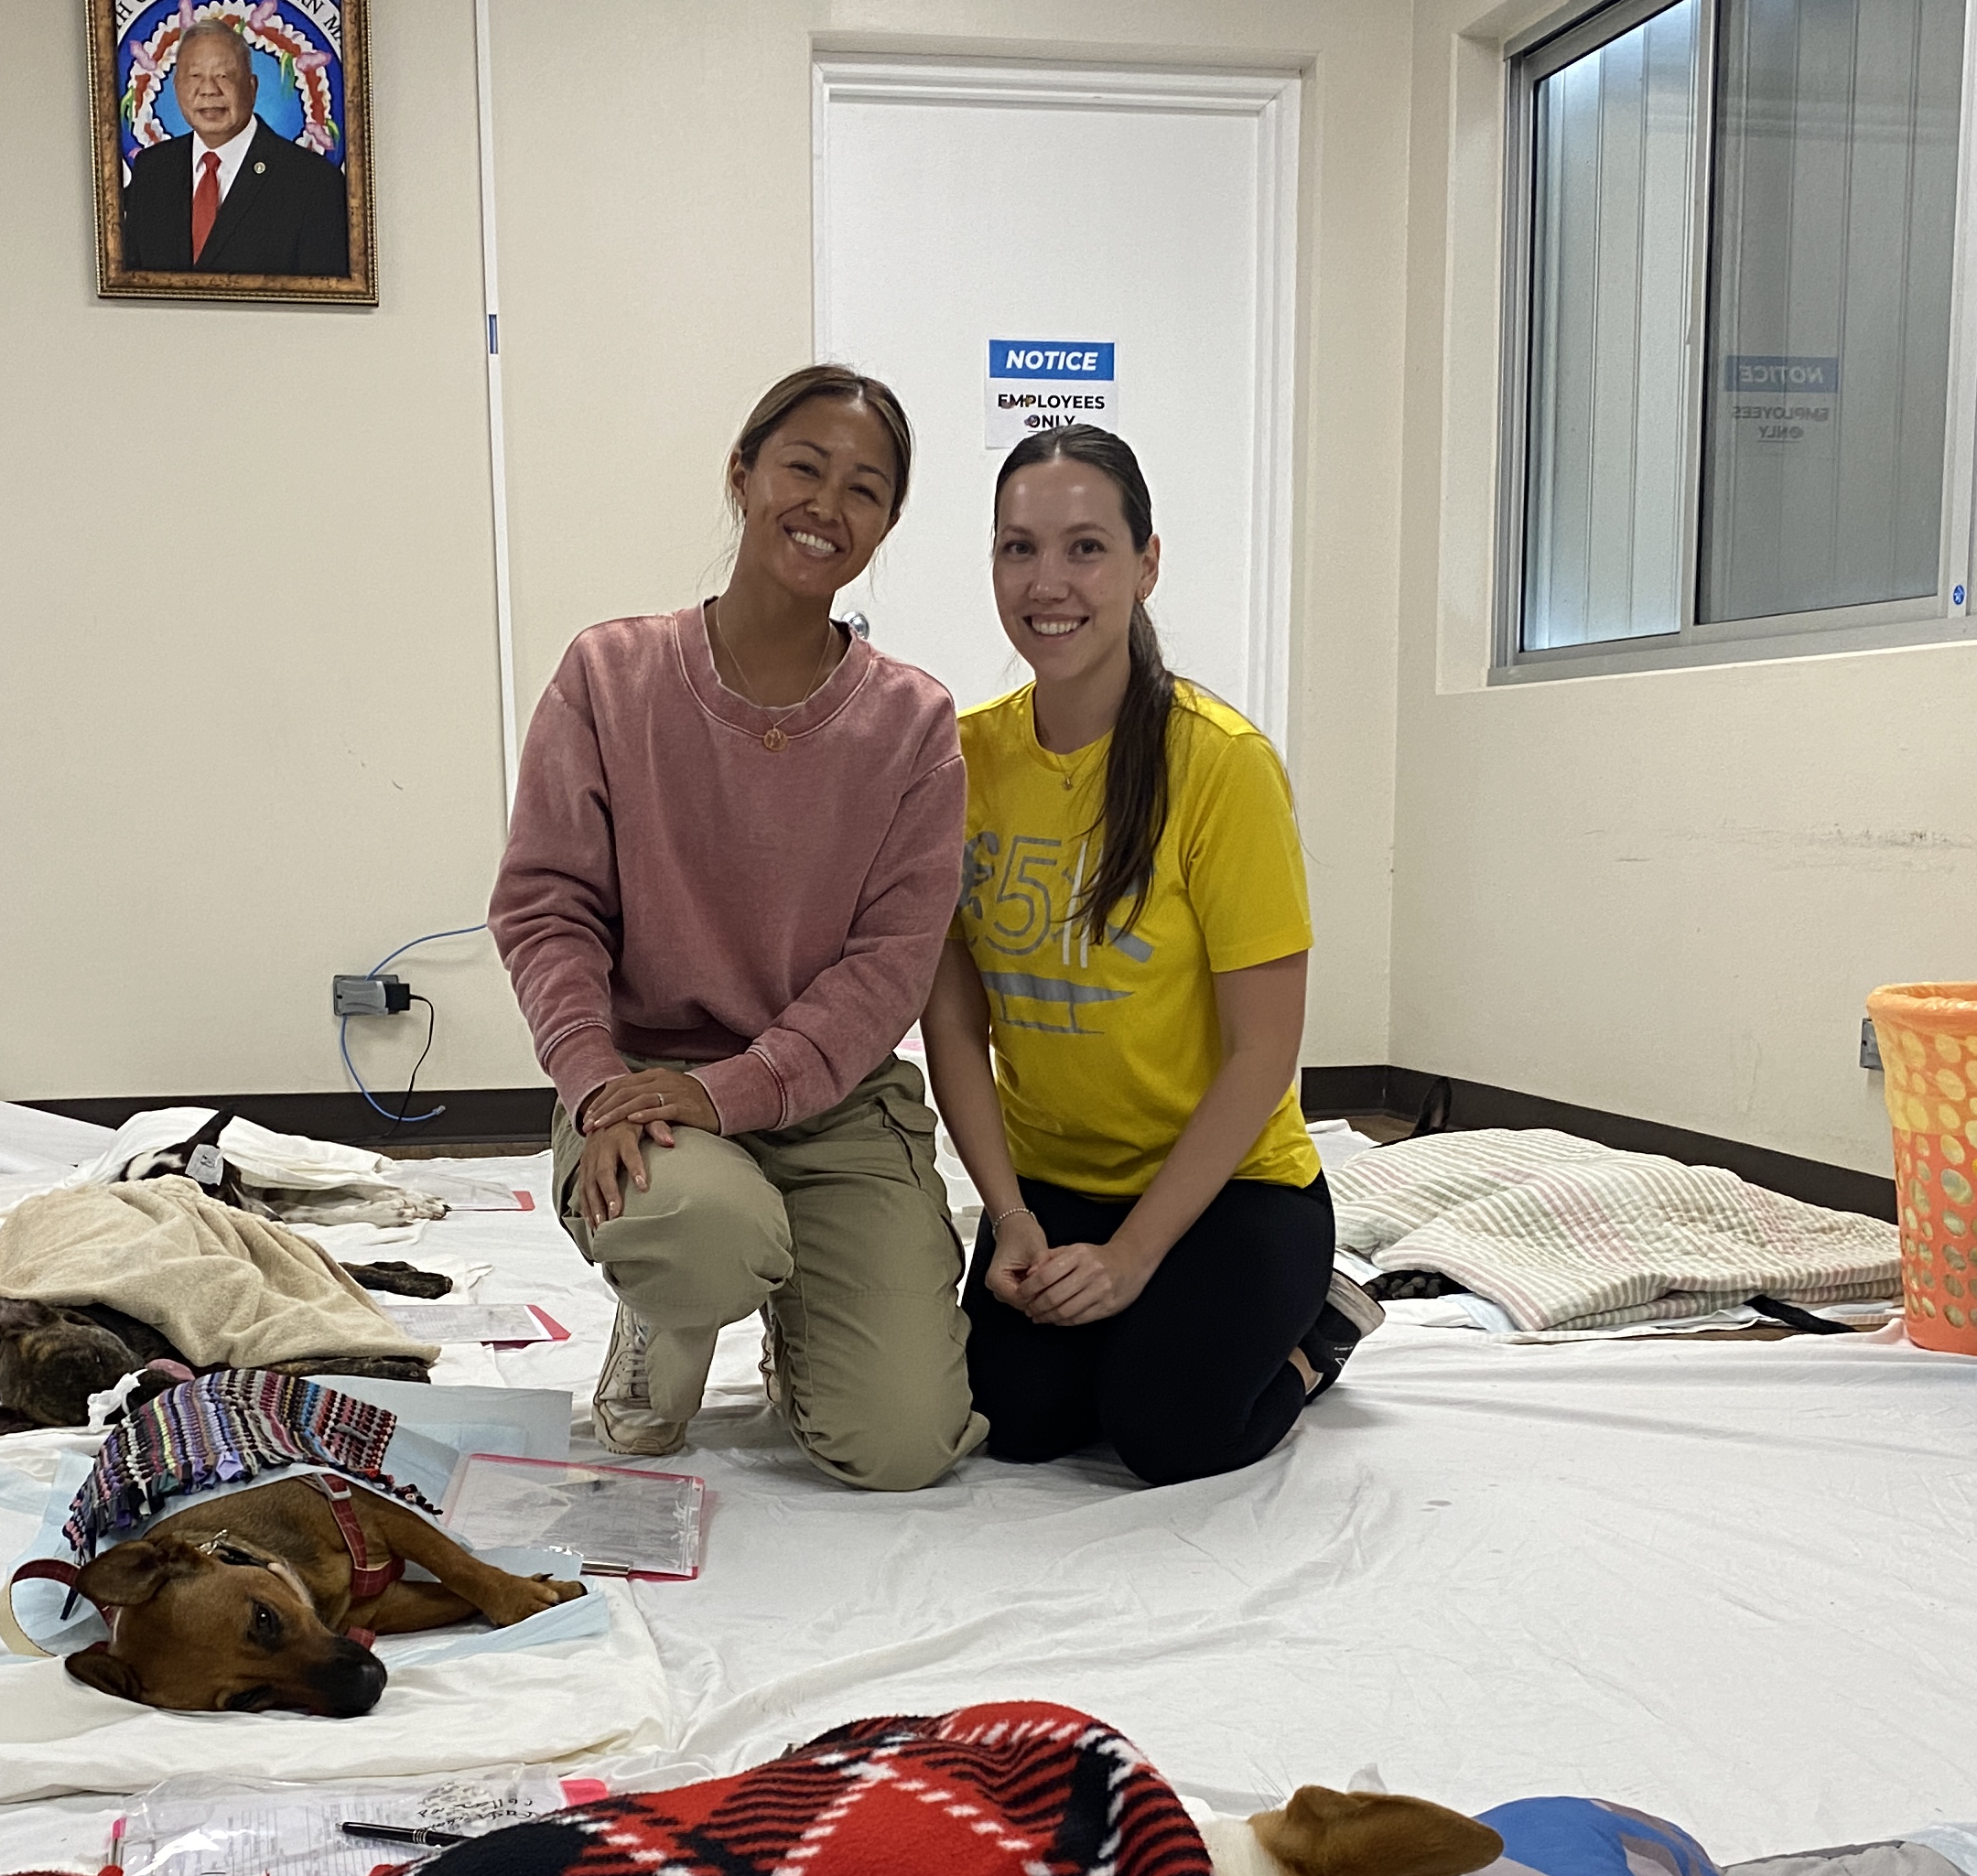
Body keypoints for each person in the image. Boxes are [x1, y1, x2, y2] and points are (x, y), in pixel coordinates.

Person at [489, 363, 985, 1491]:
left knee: (901, 1446)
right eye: (802, 467)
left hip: (834, 1104)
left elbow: (890, 966)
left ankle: (795, 1310)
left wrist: (742, 1091)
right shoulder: (609, 677)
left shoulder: (913, 724)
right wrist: (593, 1079)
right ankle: (668, 1321)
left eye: (864, 489)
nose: (826, 505)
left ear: (887, 526)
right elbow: (545, 906)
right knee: (709, 1235)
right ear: (742, 476)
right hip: (642, 1092)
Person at [921, 425, 1377, 1487]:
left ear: (1146, 564)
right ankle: (1150, 1325)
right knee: (1016, 1419)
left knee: (1166, 1432)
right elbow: (952, 1020)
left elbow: (1264, 1052)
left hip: (1231, 1190)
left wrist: (1133, 1260)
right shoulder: (959, 758)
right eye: (1018, 549)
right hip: (1053, 1187)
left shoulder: (1221, 766)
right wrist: (1011, 1217)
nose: (1050, 582)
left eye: (1086, 547)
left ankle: (1319, 1334)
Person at [116, 11, 351, 277]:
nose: (208, 90)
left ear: (252, 87)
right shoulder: (152, 170)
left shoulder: (312, 182)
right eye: (194, 76)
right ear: (176, 87)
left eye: (223, 76)